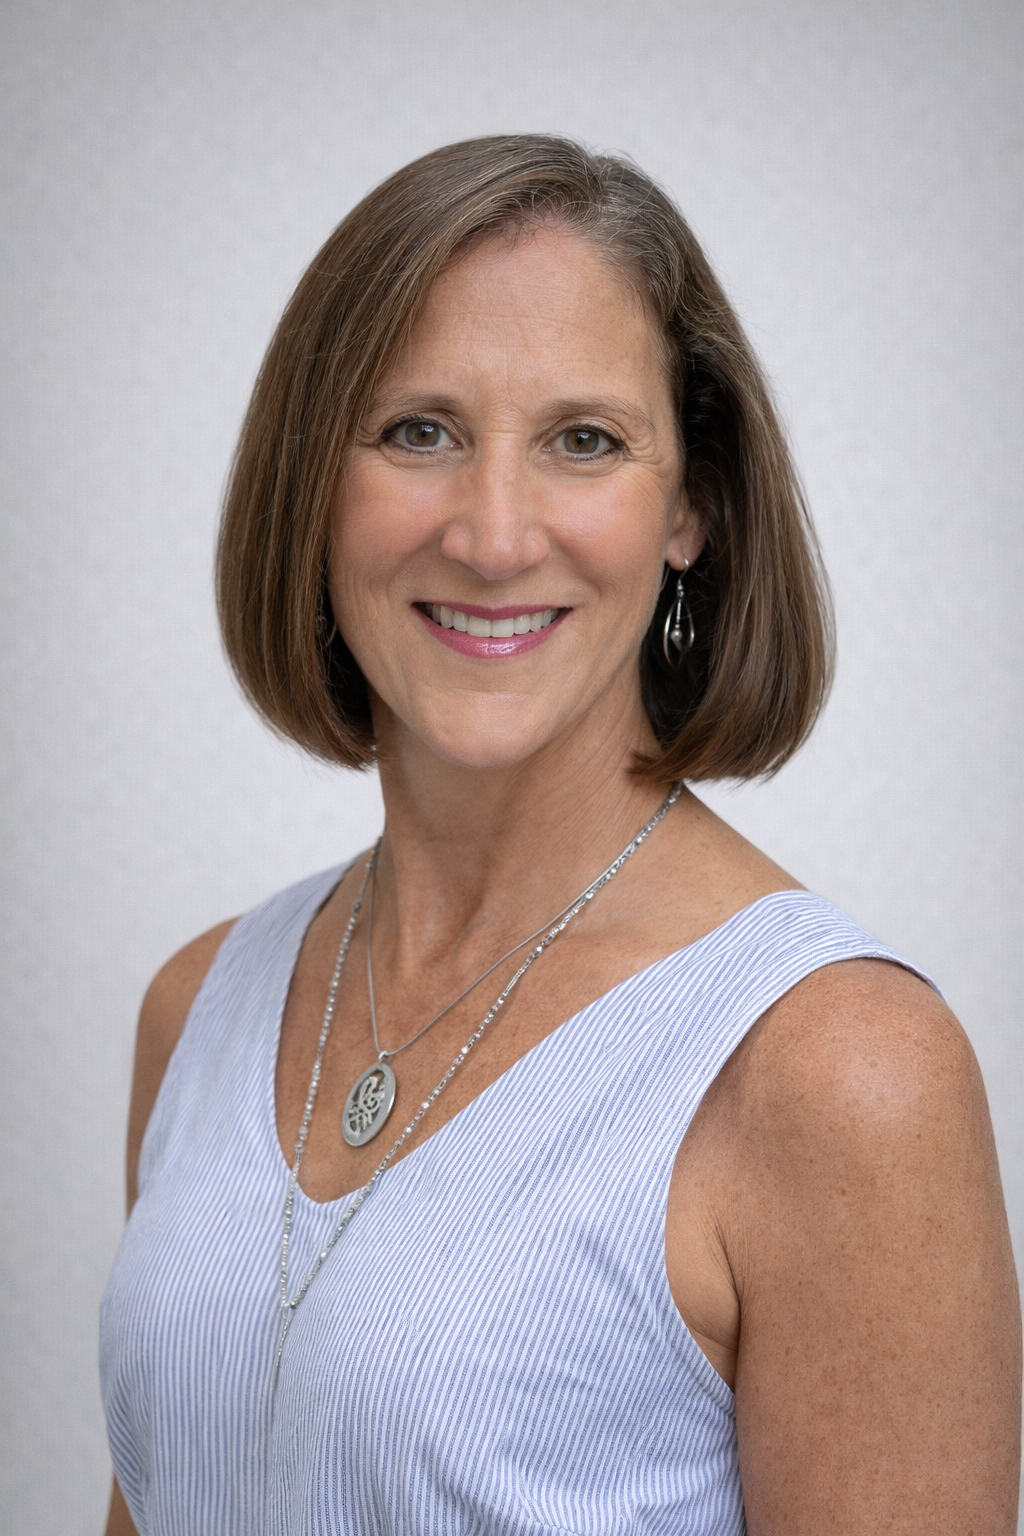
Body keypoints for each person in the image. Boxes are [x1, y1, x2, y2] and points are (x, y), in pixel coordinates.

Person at [100, 135, 1021, 1535]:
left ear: (692, 506)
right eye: (420, 431)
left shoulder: (840, 1075)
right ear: (313, 485)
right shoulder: (200, 1007)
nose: (491, 532)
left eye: (583, 441)